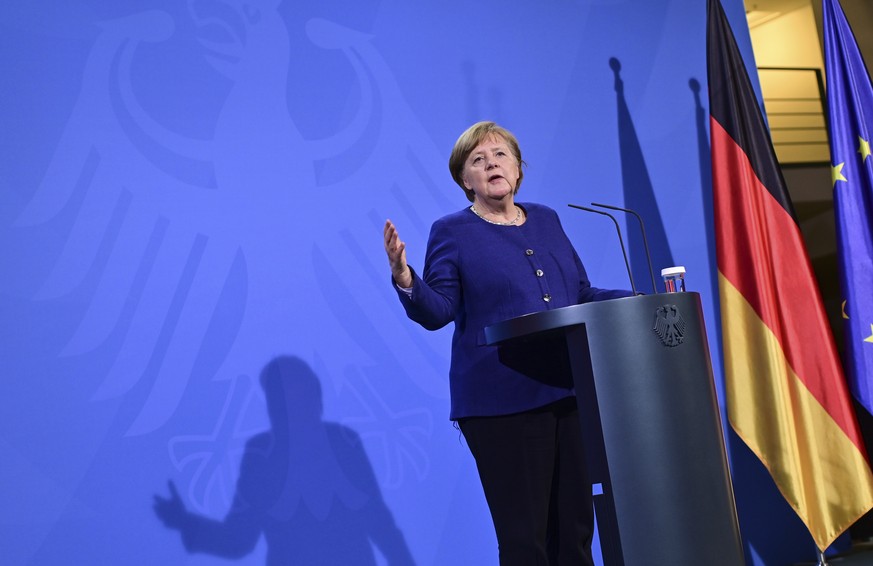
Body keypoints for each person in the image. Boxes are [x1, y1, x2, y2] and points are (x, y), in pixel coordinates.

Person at [382, 121, 632, 565]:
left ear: (518, 169)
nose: (491, 163)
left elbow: (581, 294)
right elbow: (438, 310)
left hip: (569, 392)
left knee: (574, 535)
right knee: (525, 542)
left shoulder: (547, 219)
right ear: (465, 180)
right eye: (478, 160)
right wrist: (405, 279)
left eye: (500, 155)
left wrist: (642, 299)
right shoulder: (452, 231)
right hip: (501, 403)